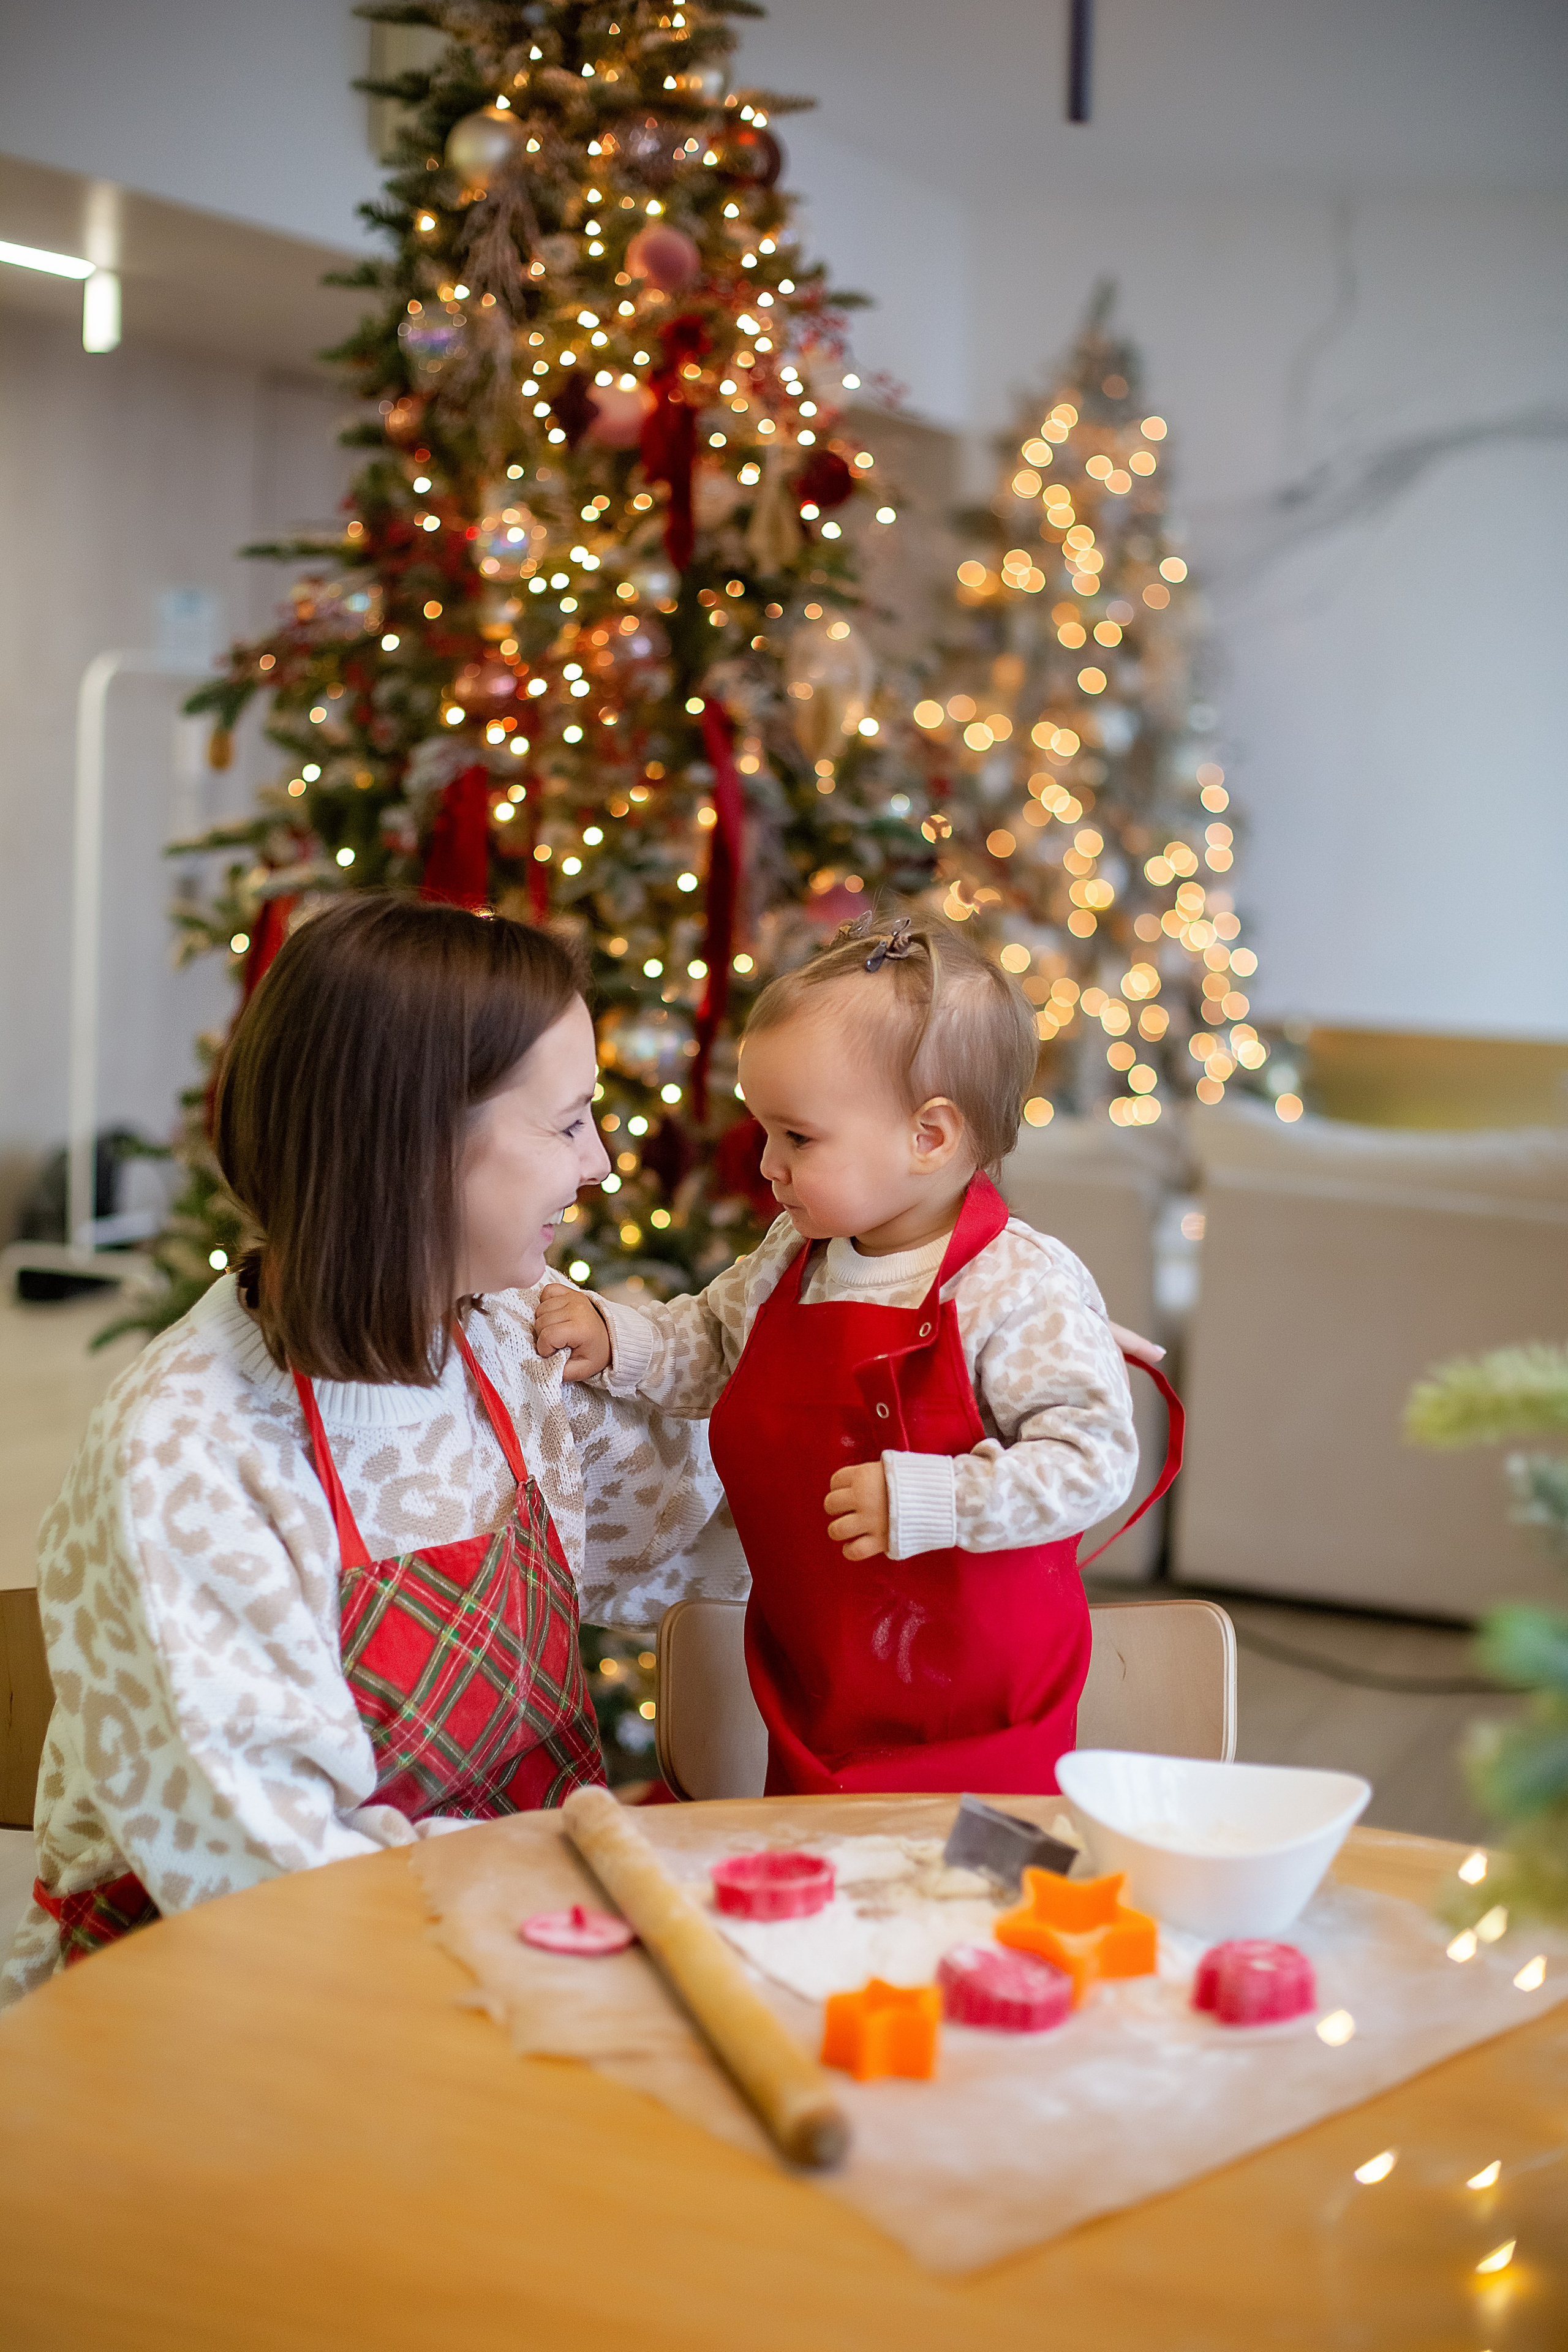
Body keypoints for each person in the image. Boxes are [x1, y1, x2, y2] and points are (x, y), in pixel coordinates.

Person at [2, 897, 723, 2005]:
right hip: (248, 2012)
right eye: (568, 1121)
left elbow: (718, 1536)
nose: (599, 1166)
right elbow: (264, 1879)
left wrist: (973, 1390)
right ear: (415, 1141)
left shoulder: (510, 1345)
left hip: (493, 1960)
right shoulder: (186, 1455)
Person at [536, 912, 1180, 1798]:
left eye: (798, 1138)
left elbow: (1092, 1460)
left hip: (981, 1706)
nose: (767, 1164)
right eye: (765, 1132)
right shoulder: (791, 1262)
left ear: (931, 1136)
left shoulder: (1016, 1286)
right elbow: (712, 1346)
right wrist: (619, 1339)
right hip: (819, 1689)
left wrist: (936, 1498)